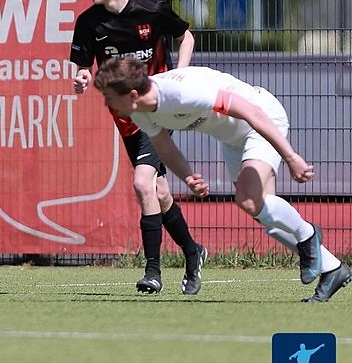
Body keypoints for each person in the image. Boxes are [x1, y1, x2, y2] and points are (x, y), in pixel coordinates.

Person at [94, 57, 352, 303]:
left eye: (109, 98)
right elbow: (165, 148)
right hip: (232, 139)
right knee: (263, 210)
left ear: (132, 95)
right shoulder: (141, 112)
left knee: (248, 200)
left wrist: (291, 156)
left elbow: (251, 112)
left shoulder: (182, 92)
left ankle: (308, 236)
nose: (108, 105)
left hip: (262, 119)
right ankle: (333, 268)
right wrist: (188, 177)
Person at [70, 0, 205, 295]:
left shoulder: (152, 11)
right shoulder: (88, 23)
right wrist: (83, 78)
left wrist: (180, 74)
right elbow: (84, 65)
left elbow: (185, 36)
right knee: (158, 192)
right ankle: (193, 252)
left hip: (157, 108)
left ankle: (153, 272)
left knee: (143, 184)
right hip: (125, 117)